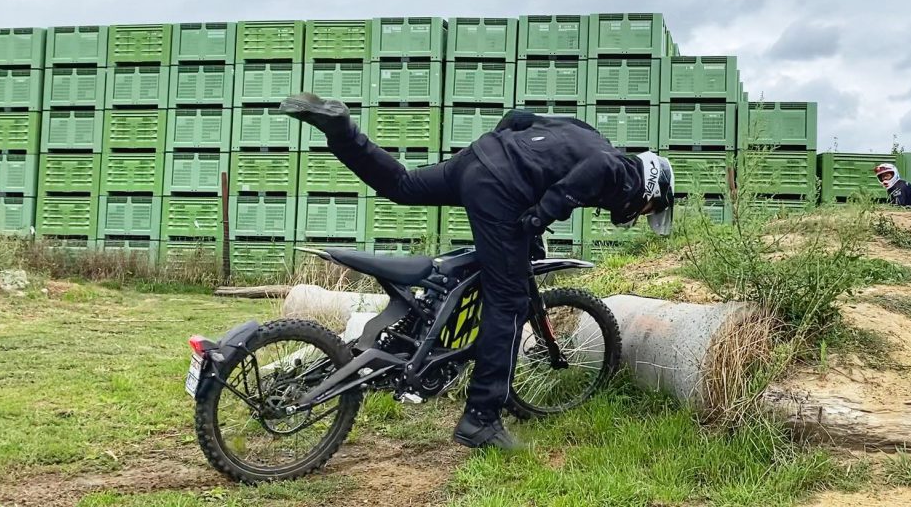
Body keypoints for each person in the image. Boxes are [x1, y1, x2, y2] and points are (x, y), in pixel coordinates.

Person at [280, 92, 675, 451]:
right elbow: (593, 173)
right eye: (648, 209)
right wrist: (540, 215)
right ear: (650, 189)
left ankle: (343, 132)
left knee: (401, 185)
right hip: (502, 186)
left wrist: (507, 166)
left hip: (479, 160)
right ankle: (481, 421)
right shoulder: (623, 174)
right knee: (508, 302)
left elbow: (516, 117)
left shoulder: (584, 132)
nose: (640, 215)